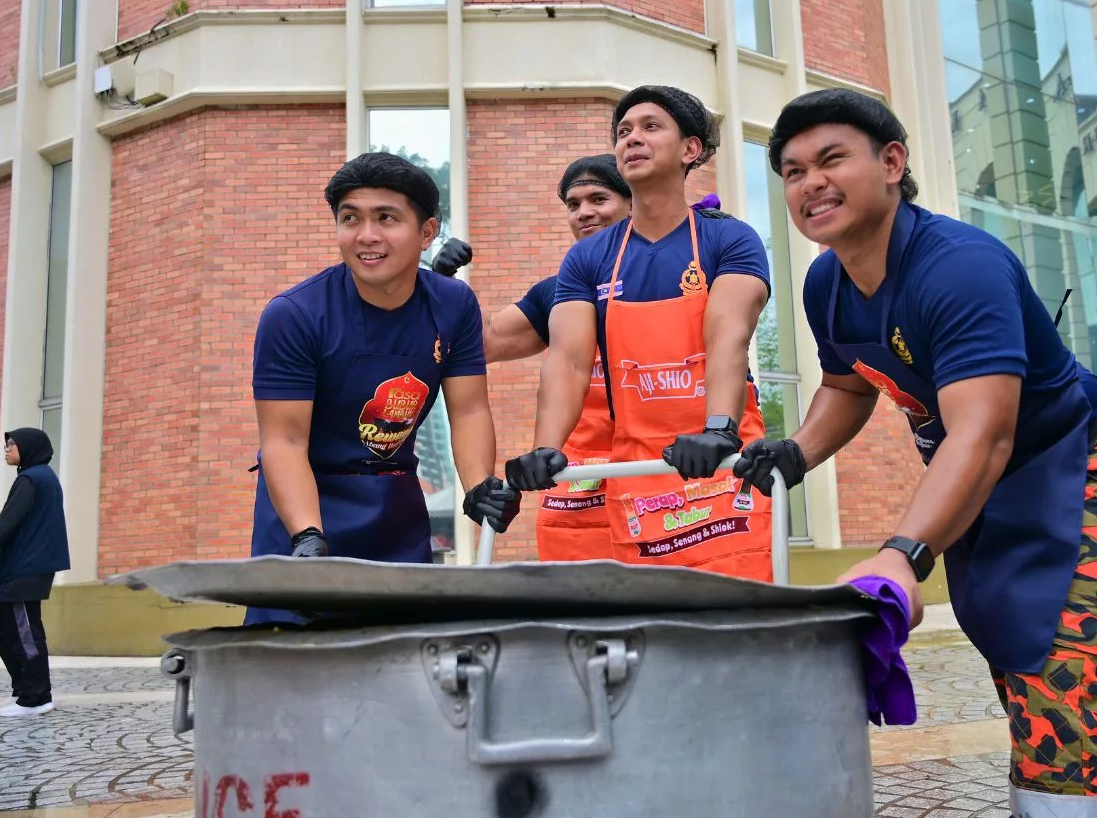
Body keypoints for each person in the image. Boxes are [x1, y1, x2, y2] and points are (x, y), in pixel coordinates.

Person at [735, 89, 1097, 818]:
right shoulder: (828, 283)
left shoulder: (957, 266)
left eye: (832, 159)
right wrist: (795, 451)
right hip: (989, 497)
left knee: (1052, 682)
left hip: (1083, 472)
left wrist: (903, 553)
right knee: (1038, 680)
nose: (809, 185)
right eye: (792, 171)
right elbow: (847, 383)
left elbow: (984, 434)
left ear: (892, 163)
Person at [505, 86, 775, 580]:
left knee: (731, 619)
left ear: (691, 150)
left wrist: (718, 428)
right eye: (624, 132)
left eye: (651, 127)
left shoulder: (729, 239)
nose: (633, 139)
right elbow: (568, 359)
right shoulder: (587, 258)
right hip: (635, 475)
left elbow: (728, 335)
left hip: (722, 464)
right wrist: (547, 447)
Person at [248, 151, 521, 625]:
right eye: (350, 218)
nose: (366, 235)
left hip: (395, 510)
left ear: (427, 232)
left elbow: (471, 409)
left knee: (403, 665)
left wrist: (478, 484)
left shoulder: (454, 305)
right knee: (291, 671)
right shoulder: (293, 315)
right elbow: (283, 439)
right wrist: (307, 537)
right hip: (305, 507)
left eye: (386, 218)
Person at [430, 154, 631, 561]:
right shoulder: (557, 291)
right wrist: (439, 285)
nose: (584, 213)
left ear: (633, 202)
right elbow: (481, 342)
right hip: (578, 486)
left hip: (658, 477)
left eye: (598, 199)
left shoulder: (681, 273)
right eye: (573, 205)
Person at [0, 427, 69, 717]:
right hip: (27, 567)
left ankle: (37, 698)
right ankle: (24, 690)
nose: (6, 449)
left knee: (24, 632)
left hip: (27, 569)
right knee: (2, 625)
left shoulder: (32, 479)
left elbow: (5, 523)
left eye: (12, 444)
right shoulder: (39, 478)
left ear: (29, 448)